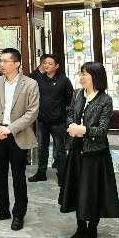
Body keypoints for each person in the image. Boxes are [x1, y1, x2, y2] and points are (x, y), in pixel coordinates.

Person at [58, 61, 119, 238]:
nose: (81, 77)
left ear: (96, 77)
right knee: (77, 189)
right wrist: (71, 125)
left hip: (95, 154)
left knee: (93, 192)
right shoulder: (78, 94)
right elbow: (70, 114)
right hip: (76, 149)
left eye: (85, 74)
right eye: (81, 73)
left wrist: (83, 130)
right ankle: (80, 228)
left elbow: (102, 130)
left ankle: (92, 230)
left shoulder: (105, 100)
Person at [0, 48, 40, 231]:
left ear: (16, 64)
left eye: (5, 61)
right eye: (0, 61)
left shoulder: (30, 84)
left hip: (18, 135)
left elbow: (32, 112)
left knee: (18, 177)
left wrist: (9, 129)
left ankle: (18, 214)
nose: (1, 64)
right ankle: (3, 210)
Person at [28, 53, 74, 182]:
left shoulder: (64, 80)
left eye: (50, 63)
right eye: (45, 63)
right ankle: (41, 173)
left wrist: (64, 113)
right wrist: (39, 69)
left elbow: (70, 99)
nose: (46, 65)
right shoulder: (39, 78)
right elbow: (29, 79)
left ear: (57, 66)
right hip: (42, 121)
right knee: (42, 148)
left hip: (58, 122)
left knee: (60, 150)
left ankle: (62, 175)